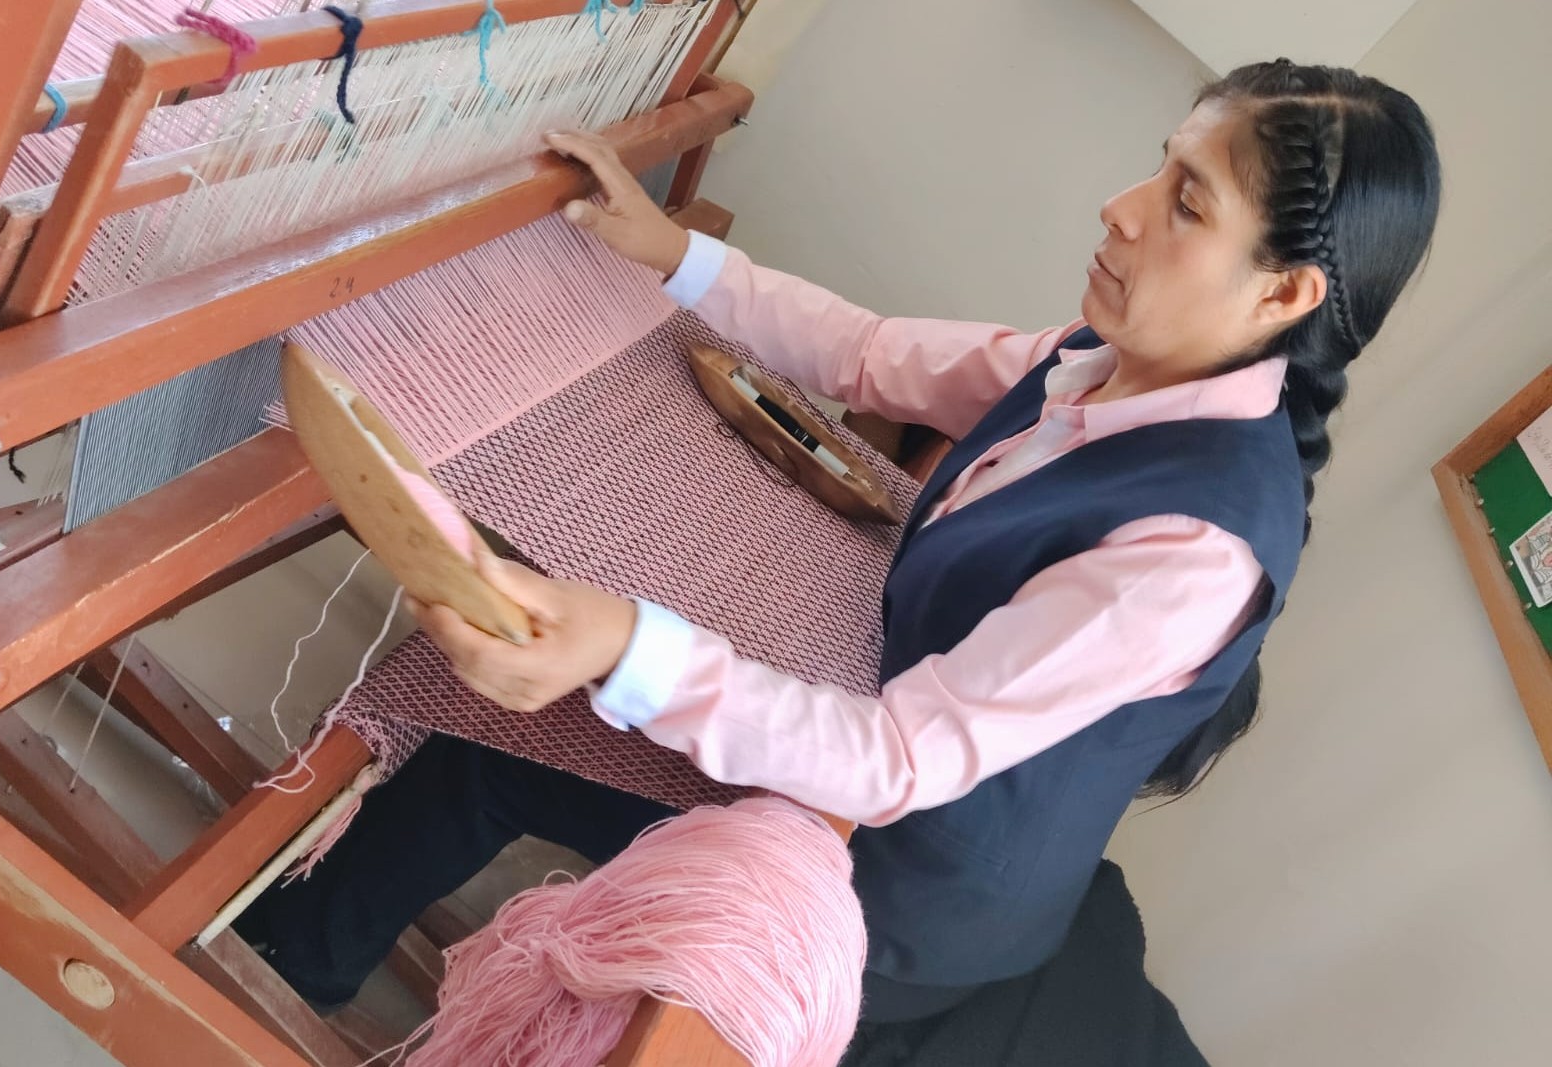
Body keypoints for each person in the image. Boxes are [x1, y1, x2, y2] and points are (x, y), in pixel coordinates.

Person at [237, 60, 1441, 1023]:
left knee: (514, 730)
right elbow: (868, 353)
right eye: (1157, 166)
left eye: (1186, 203)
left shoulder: (1189, 552)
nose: (1121, 210)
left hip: (889, 886)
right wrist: (670, 254)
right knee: (544, 704)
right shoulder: (1097, 368)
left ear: (1283, 295)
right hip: (877, 749)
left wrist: (623, 643)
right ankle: (300, 944)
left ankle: (273, 972)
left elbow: (891, 765)